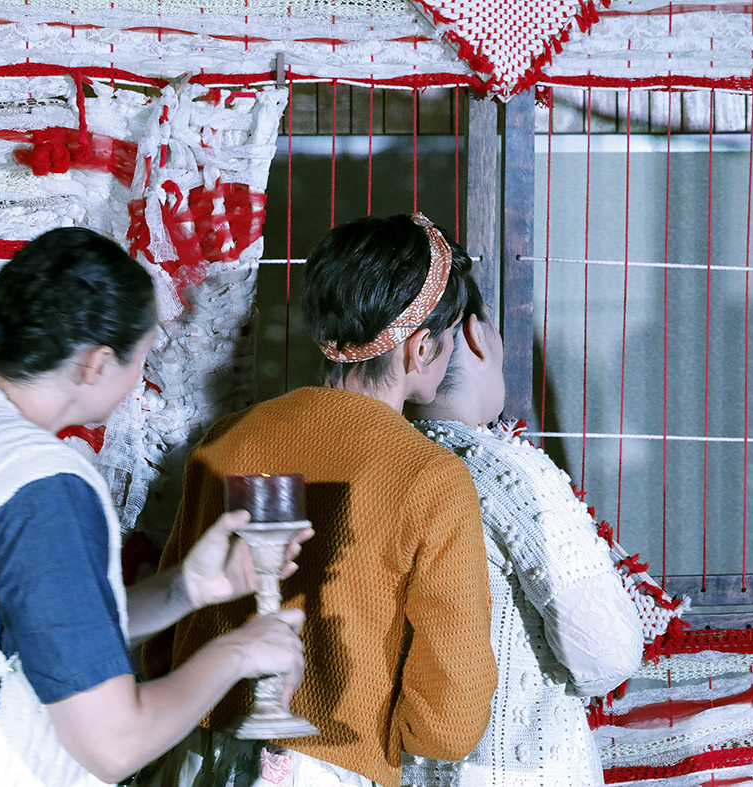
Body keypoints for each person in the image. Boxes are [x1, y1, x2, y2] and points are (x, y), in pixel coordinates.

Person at [0, 227, 307, 787]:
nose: (138, 381)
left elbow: (42, 632)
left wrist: (185, 589)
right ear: (94, 364)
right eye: (141, 359)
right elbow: (115, 744)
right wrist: (238, 652)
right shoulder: (39, 482)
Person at [139, 213, 496, 787]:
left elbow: (169, 622)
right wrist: (408, 737)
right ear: (420, 347)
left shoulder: (229, 438)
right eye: (450, 334)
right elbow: (451, 714)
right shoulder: (431, 478)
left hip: (191, 747)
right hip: (331, 761)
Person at [400, 282, 643, 787]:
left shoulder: (379, 459)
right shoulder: (512, 473)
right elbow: (607, 654)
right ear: (476, 336)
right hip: (518, 768)